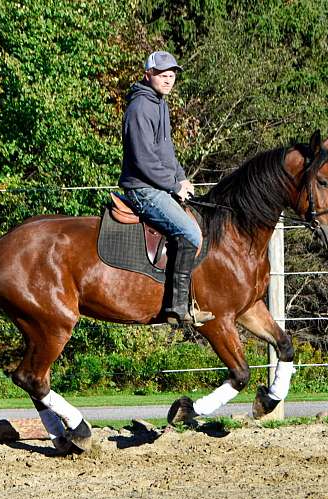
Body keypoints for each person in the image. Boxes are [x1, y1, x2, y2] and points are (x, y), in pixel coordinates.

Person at [118, 50, 214, 326]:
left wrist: (182, 179)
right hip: (143, 189)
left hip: (158, 185)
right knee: (189, 232)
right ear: (147, 74)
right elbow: (143, 159)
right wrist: (172, 184)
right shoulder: (140, 108)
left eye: (172, 74)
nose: (168, 79)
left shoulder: (159, 104)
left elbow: (166, 151)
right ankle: (176, 308)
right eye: (162, 74)